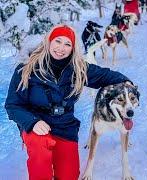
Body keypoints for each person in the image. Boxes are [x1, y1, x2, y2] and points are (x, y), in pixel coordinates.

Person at [5, 24, 132, 180]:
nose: (61, 48)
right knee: (40, 151)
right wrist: (32, 123)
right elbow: (13, 105)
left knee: (69, 176)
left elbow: (105, 76)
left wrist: (126, 83)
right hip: (37, 126)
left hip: (64, 126)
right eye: (57, 41)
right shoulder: (26, 69)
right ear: (49, 41)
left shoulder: (78, 68)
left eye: (67, 44)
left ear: (72, 48)